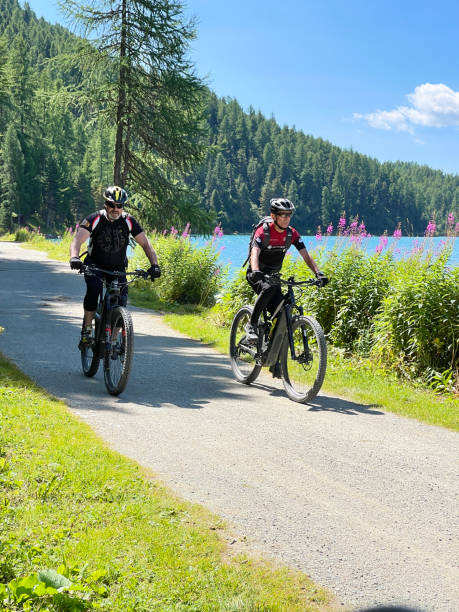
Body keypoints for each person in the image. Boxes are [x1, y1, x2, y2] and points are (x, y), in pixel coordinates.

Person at [69, 186, 161, 347]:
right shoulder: (94, 219)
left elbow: (146, 244)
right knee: (93, 289)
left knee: (122, 299)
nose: (116, 209)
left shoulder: (129, 221)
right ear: (106, 204)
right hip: (95, 265)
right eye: (112, 205)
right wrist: (74, 257)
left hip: (117, 267)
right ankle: (87, 330)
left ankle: (112, 342)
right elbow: (77, 240)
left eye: (120, 205)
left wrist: (155, 265)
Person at [245, 197, 328, 344]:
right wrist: (256, 270)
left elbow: (306, 256)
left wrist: (318, 272)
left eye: (289, 215)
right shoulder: (263, 232)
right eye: (283, 215)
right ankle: (251, 325)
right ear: (273, 216)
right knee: (268, 289)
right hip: (256, 274)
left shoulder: (292, 234)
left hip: (274, 276)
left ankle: (274, 358)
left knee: (283, 312)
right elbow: (254, 253)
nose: (286, 218)